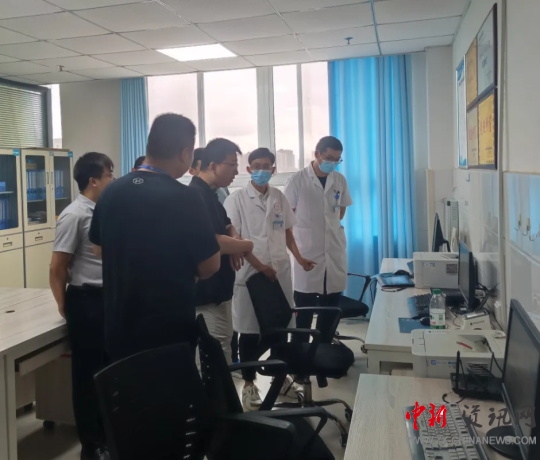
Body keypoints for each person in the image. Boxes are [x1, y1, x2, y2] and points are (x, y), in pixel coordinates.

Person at [89, 113, 220, 362]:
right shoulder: (186, 197)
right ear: (185, 153)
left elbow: (98, 249)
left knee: (126, 387)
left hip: (119, 328)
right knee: (168, 387)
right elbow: (210, 265)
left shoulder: (112, 192)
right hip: (168, 330)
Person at [224, 147, 316, 410]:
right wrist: (260, 266)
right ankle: (249, 383)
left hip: (278, 273)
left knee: (280, 327)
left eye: (267, 166)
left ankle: (279, 377)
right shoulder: (236, 200)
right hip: (250, 274)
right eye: (257, 166)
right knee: (250, 331)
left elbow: (287, 232)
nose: (262, 170)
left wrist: (299, 258)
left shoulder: (278, 197)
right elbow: (236, 240)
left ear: (274, 169)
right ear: (248, 169)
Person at [49, 152, 115, 460]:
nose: (113, 179)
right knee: (88, 376)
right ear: (94, 181)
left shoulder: (102, 211)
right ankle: (92, 445)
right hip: (86, 300)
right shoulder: (75, 215)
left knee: (108, 371)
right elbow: (57, 268)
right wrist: (65, 307)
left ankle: (109, 435)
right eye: (109, 174)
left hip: (107, 299)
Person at [189, 138, 253, 364]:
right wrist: (245, 246)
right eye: (232, 165)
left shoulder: (212, 194)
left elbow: (227, 225)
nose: (236, 171)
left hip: (220, 291)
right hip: (207, 295)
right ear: (213, 165)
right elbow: (212, 241)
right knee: (214, 357)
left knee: (224, 345)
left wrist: (234, 242)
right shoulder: (195, 196)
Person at [283, 136, 352, 343]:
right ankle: (300, 356)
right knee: (304, 311)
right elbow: (287, 219)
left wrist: (328, 225)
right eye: (329, 158)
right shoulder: (297, 180)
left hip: (334, 252)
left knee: (330, 310)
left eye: (337, 159)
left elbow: (341, 210)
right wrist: (299, 255)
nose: (333, 163)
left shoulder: (339, 180)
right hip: (307, 253)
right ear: (317, 154)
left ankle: (324, 350)